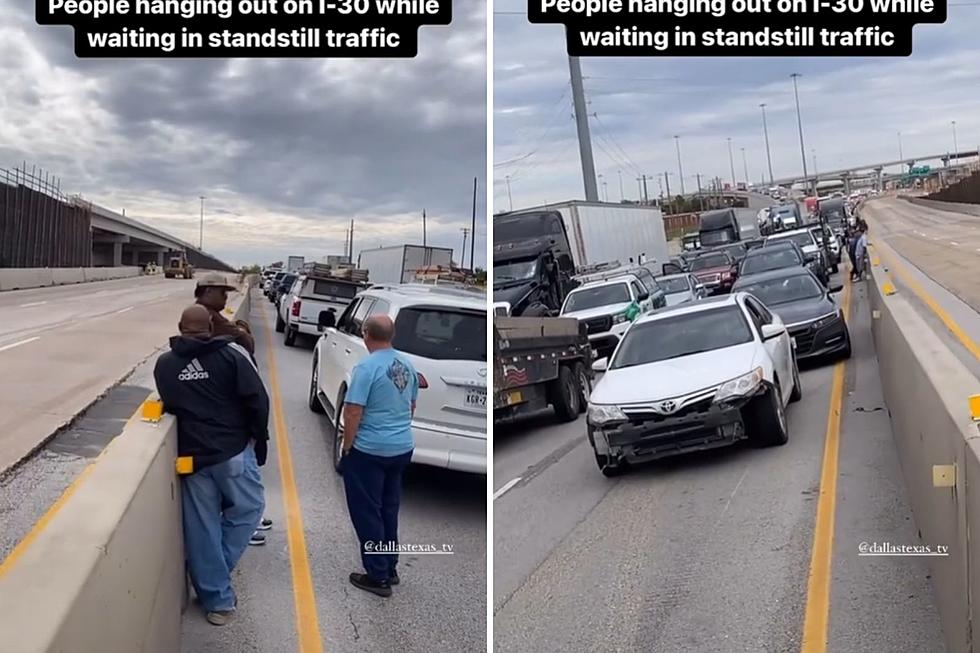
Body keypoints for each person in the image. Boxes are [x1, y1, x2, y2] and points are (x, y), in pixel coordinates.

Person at [153, 305, 269, 626]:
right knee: (249, 509)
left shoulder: (165, 365)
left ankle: (217, 597)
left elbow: (171, 402)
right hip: (232, 452)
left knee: (202, 524)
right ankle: (214, 578)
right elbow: (257, 400)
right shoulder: (232, 356)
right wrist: (260, 440)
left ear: (180, 326)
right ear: (211, 328)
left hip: (192, 457)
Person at [340, 314, 417, 598]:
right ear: (392, 335)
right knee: (388, 507)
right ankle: (390, 566)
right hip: (401, 448)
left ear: (365, 334)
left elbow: (353, 411)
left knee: (367, 511)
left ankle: (378, 575)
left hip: (370, 450)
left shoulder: (366, 367)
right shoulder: (407, 365)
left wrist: (348, 447)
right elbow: (411, 406)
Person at [195, 272, 256, 356]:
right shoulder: (210, 316)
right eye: (223, 292)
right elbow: (247, 343)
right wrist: (242, 326)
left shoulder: (197, 311)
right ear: (208, 291)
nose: (226, 296)